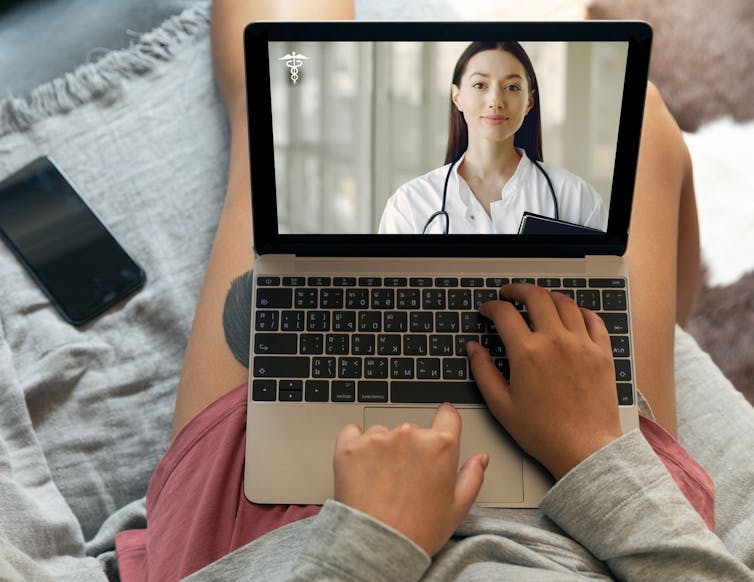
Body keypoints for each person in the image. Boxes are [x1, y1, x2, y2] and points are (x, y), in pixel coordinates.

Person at [113, 1, 754, 580]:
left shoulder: (557, 190)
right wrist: (595, 449)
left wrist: (370, 546)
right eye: (479, 87)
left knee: (274, 111)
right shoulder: (420, 195)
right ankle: (670, 340)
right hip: (585, 523)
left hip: (290, 552)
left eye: (509, 89)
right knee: (638, 116)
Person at [378, 40, 608, 235]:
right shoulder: (410, 203)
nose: (495, 100)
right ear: (457, 97)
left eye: (512, 87)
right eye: (480, 85)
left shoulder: (575, 198)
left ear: (529, 101)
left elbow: (601, 276)